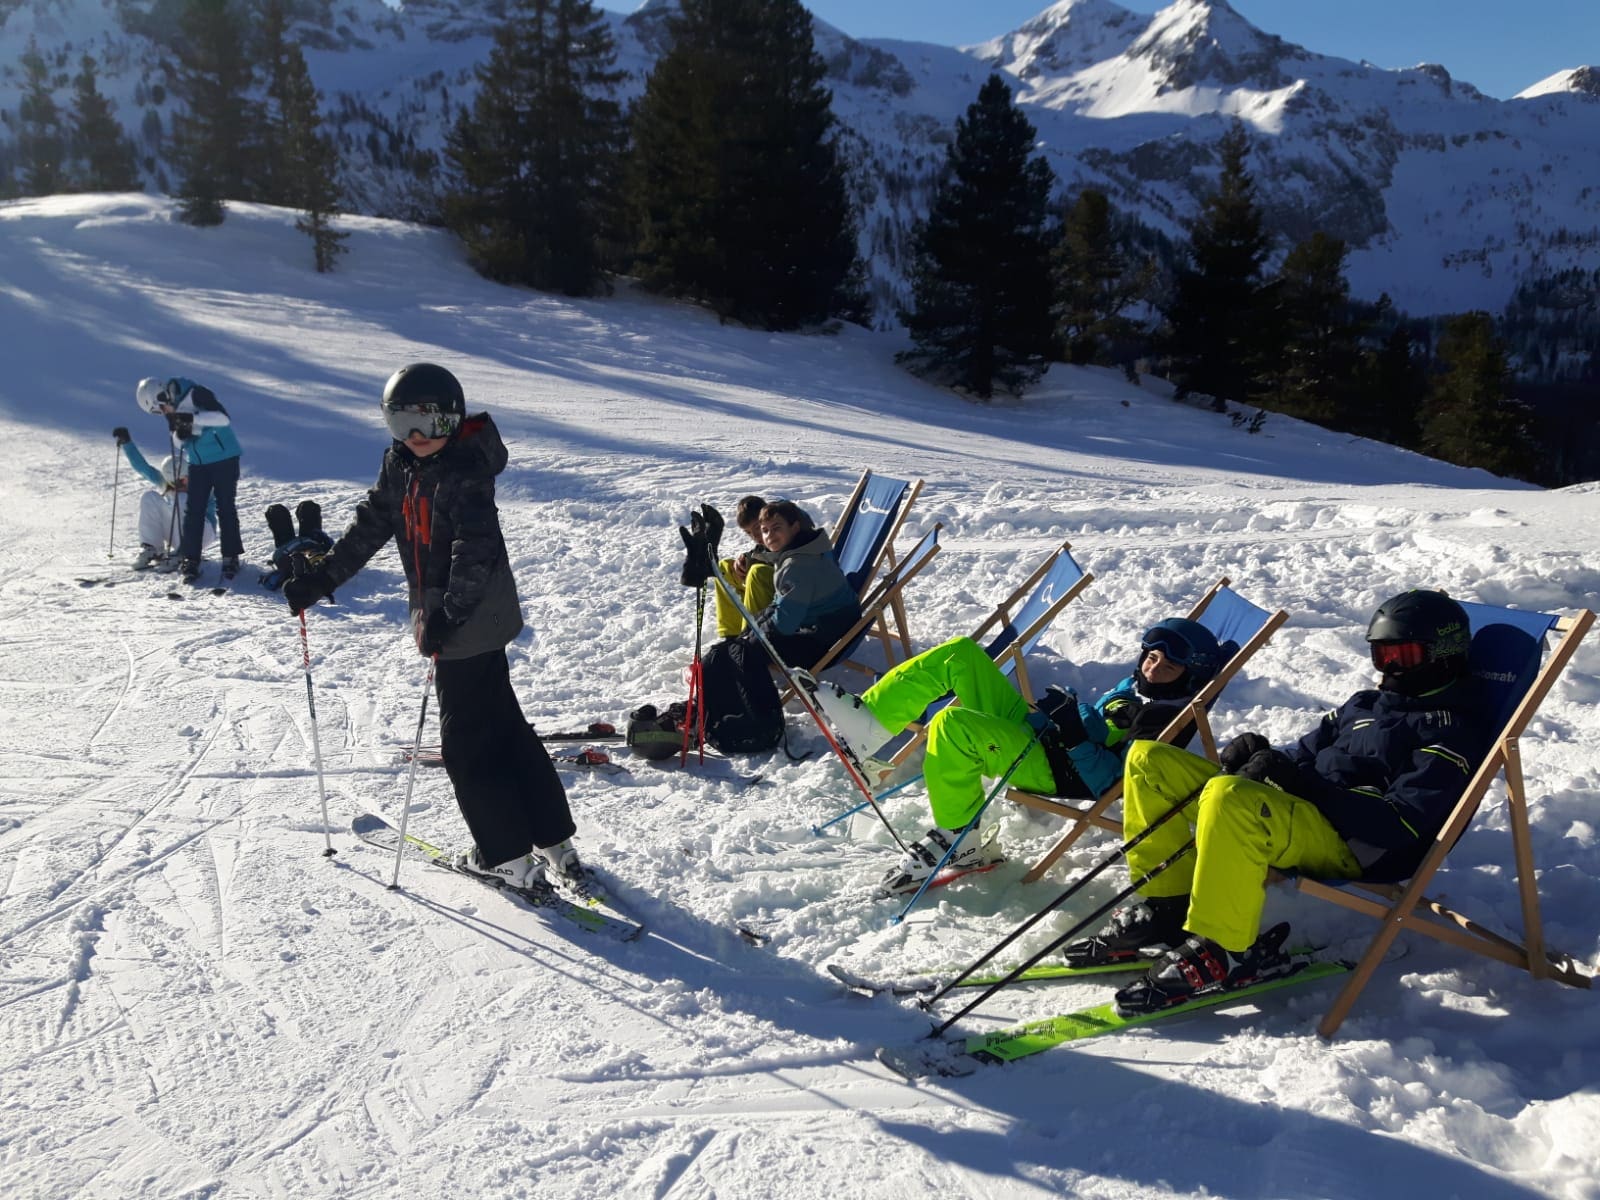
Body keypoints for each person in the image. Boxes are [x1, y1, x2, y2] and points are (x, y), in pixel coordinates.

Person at [1069, 589, 1487, 1016]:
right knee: (1148, 759)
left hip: (1353, 844)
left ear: (1444, 655)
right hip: (1299, 815)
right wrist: (1258, 754)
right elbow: (1300, 756)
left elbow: (1400, 825)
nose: (1390, 667)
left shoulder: (1449, 732)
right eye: (1381, 655)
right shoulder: (1364, 705)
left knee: (1230, 796)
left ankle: (1229, 948)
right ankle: (1168, 906)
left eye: (1403, 655)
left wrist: (1301, 782)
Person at [281, 363, 583, 892]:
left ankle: (506, 856)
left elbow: (475, 546)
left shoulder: (466, 467)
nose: (417, 436)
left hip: (469, 613)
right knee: (503, 725)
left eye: (430, 422)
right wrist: (324, 577)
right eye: (403, 423)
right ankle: (552, 838)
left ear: (453, 420)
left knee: (466, 743)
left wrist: (451, 612)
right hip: (462, 614)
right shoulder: (400, 464)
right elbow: (373, 522)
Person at [811, 618, 1229, 894]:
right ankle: (868, 727)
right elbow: (1103, 721)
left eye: (1167, 668)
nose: (1152, 669)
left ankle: (960, 840)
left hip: (1061, 768)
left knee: (953, 725)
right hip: (1045, 736)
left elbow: (1116, 782)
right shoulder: (1140, 685)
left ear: (1188, 677)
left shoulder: (1166, 716)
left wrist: (1073, 731)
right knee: (961, 654)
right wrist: (1070, 713)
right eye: (1151, 657)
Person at [135, 375, 244, 583]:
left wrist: (191, 419)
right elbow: (178, 442)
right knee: (193, 510)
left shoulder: (195, 393)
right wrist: (181, 433)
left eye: (160, 408)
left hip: (224, 457)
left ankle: (231, 557)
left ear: (161, 396)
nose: (162, 413)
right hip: (198, 462)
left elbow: (222, 419)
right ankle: (190, 559)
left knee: (225, 507)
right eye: (158, 412)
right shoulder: (173, 410)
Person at [740, 498, 861, 667]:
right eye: (765, 530)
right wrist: (751, 628)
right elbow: (780, 605)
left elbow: (784, 624)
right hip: (832, 625)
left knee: (748, 652)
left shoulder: (798, 565)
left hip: (827, 641)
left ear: (795, 527)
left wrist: (748, 642)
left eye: (776, 528)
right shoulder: (804, 549)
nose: (769, 535)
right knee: (749, 637)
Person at [112, 426, 217, 569]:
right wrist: (127, 443)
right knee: (150, 497)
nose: (180, 485)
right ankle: (152, 549)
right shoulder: (166, 484)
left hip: (204, 532)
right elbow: (144, 469)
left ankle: (185, 552)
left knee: (182, 499)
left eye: (183, 480)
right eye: (175, 483)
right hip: (177, 534)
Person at [713, 494, 777, 638]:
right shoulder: (764, 540)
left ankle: (747, 638)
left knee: (756, 571)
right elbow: (763, 552)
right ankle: (731, 635)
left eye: (757, 528)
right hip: (769, 582)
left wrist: (753, 563)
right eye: (748, 532)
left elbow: (781, 556)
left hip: (784, 588)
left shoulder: (781, 529)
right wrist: (746, 559)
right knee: (724, 568)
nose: (754, 536)